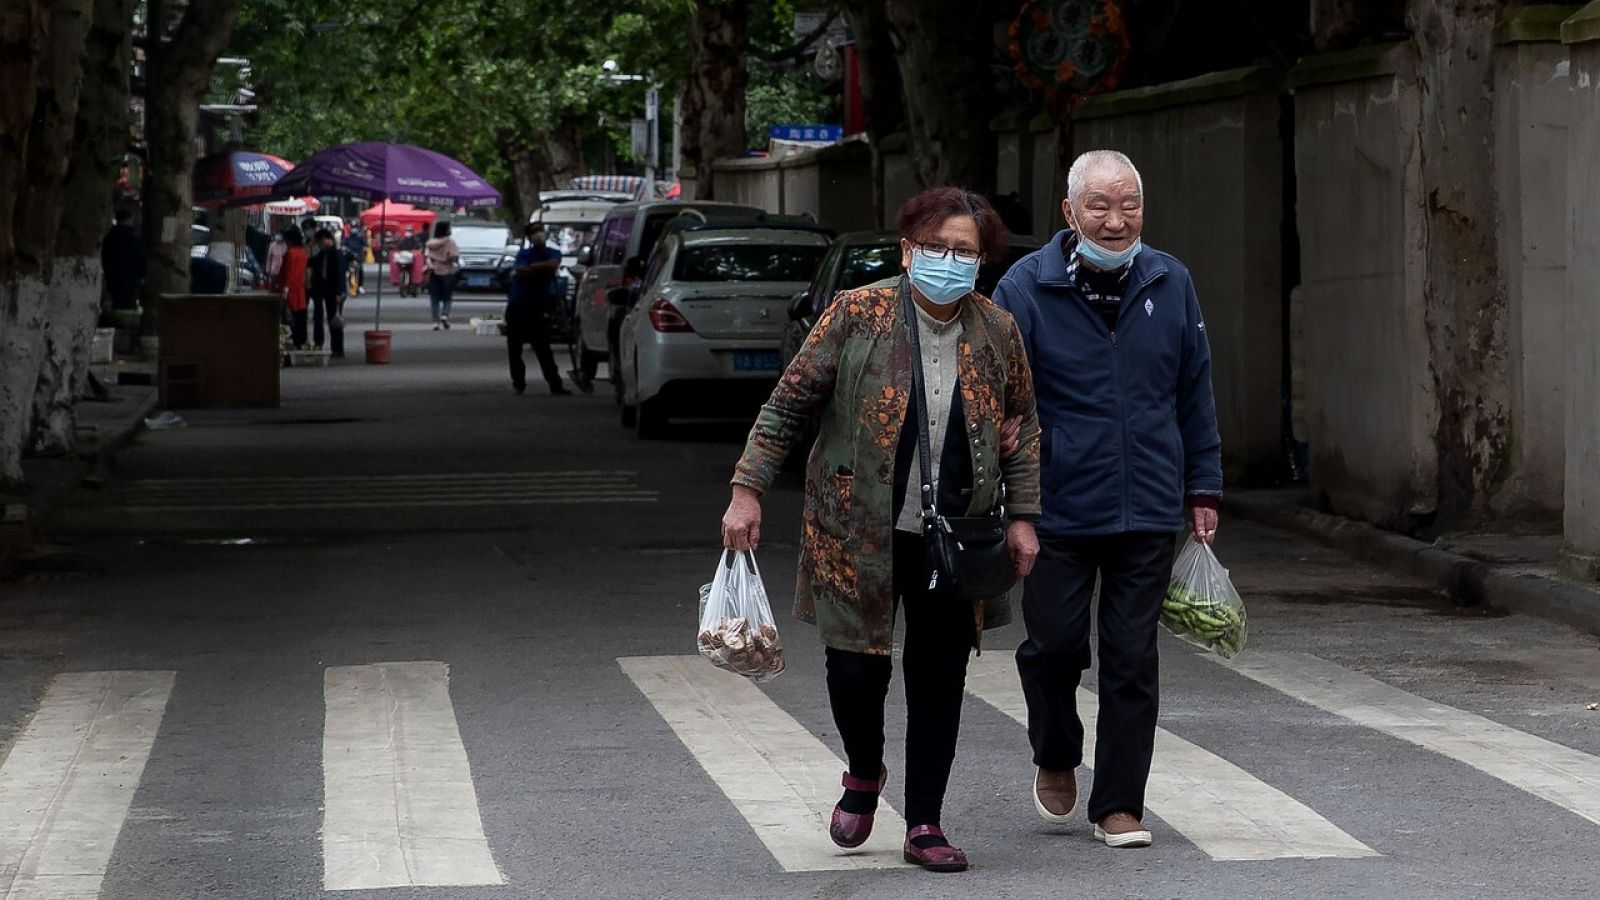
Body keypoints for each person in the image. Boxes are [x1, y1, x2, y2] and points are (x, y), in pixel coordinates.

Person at [721, 187, 1042, 873]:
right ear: (907, 250)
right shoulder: (856, 314)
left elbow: (1024, 427)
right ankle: (863, 773)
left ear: (982, 262)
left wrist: (1023, 518)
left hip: (957, 535)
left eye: (964, 251)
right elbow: (788, 404)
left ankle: (925, 820)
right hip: (856, 530)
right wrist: (746, 491)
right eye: (936, 248)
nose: (949, 262)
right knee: (856, 671)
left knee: (939, 677)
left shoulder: (996, 331)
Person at [992, 150, 1222, 850]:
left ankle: (1119, 803)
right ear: (1069, 212)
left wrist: (1202, 484)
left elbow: (1194, 388)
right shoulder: (1024, 288)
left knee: (1131, 657)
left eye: (1129, 206)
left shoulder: (1169, 279)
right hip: (1055, 502)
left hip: (1148, 500)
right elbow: (996, 392)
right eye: (1100, 205)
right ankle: (1056, 750)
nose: (1116, 220)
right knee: (1055, 647)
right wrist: (1011, 489)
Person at [504, 225, 570, 396]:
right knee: (514, 348)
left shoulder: (552, 252)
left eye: (540, 231)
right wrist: (541, 267)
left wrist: (533, 267)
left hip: (537, 308)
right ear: (529, 237)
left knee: (543, 348)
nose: (538, 235)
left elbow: (553, 264)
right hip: (517, 306)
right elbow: (521, 269)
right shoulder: (524, 254)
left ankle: (555, 384)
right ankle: (518, 383)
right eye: (534, 232)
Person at [308, 228, 347, 356]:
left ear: (327, 239)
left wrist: (340, 292)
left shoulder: (336, 253)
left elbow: (340, 274)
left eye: (320, 241)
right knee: (325, 317)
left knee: (334, 318)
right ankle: (323, 343)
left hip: (335, 291)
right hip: (323, 289)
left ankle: (338, 348)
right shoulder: (323, 253)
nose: (319, 244)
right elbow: (311, 262)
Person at [101, 208, 145, 310]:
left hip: (113, 279)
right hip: (130, 280)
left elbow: (105, 257)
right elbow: (138, 257)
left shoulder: (109, 236)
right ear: (129, 219)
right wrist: (142, 275)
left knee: (117, 305)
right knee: (128, 307)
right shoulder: (132, 237)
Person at [277, 227, 310, 348]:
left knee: (289, 320)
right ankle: (301, 341)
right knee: (300, 317)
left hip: (290, 291)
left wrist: (285, 289)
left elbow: (288, 272)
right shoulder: (303, 253)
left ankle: (293, 342)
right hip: (300, 290)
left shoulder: (290, 253)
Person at [425, 221, 460, 329]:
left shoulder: (430, 243)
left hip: (434, 272)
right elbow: (453, 256)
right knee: (447, 297)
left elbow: (426, 256)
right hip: (447, 272)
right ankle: (444, 315)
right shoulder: (450, 242)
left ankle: (435, 322)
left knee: (434, 299)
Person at [344, 225, 368, 294]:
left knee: (360, 270)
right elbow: (343, 245)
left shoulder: (360, 238)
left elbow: (365, 245)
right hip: (350, 257)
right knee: (346, 269)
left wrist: (364, 249)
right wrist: (345, 249)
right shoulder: (348, 238)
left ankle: (360, 286)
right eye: (353, 228)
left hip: (358, 257)